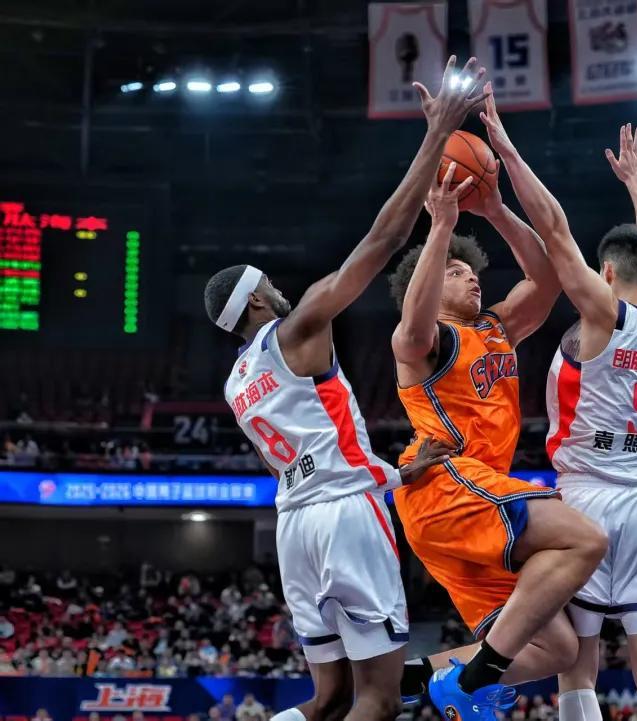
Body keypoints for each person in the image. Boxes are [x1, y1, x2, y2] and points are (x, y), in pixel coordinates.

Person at [204, 55, 487, 721]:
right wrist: (435, 135)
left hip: (295, 528)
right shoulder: (297, 326)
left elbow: (308, 454)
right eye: (268, 283)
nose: (279, 286)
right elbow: (384, 239)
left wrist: (398, 472)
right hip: (345, 521)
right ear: (257, 299)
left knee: (328, 698)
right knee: (380, 700)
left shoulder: (237, 382)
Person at [389, 90, 607, 720]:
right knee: (584, 540)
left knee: (557, 648)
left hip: (472, 501)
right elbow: (411, 329)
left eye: (471, 271)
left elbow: (547, 279)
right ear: (430, 283)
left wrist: (494, 208)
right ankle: (470, 684)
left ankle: (408, 681)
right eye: (458, 273)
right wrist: (441, 230)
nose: (472, 277)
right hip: (444, 485)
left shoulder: (497, 327)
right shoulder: (425, 343)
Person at [479, 106, 637, 721]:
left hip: (586, 501)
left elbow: (554, 230)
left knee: (578, 666)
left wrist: (507, 150)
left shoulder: (603, 314)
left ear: (608, 272)